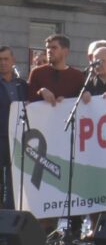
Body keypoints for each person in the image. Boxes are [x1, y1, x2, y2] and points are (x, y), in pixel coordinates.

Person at [0, 46, 27, 210]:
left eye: (6, 59)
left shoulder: (22, 84)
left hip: (18, 138)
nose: (3, 63)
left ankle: (10, 212)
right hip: (0, 136)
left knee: (13, 178)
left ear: (13, 61)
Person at [28, 34, 84, 105]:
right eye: (47, 47)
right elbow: (29, 102)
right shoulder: (37, 73)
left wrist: (66, 101)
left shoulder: (77, 76)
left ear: (65, 51)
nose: (49, 51)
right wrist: (41, 92)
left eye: (54, 48)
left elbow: (82, 103)